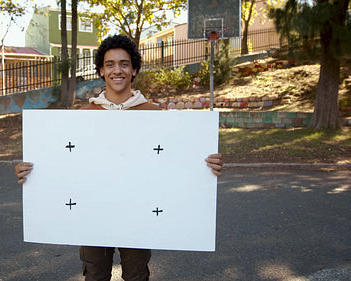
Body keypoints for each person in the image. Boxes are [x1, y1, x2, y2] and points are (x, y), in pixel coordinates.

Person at [15, 34, 223, 281]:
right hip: (92, 212)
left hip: (139, 212)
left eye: (124, 64)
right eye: (110, 64)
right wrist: (30, 171)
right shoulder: (81, 117)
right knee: (95, 275)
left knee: (136, 276)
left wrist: (207, 165)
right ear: (101, 70)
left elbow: (174, 162)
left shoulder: (157, 116)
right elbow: (64, 162)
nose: (117, 70)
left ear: (134, 69)